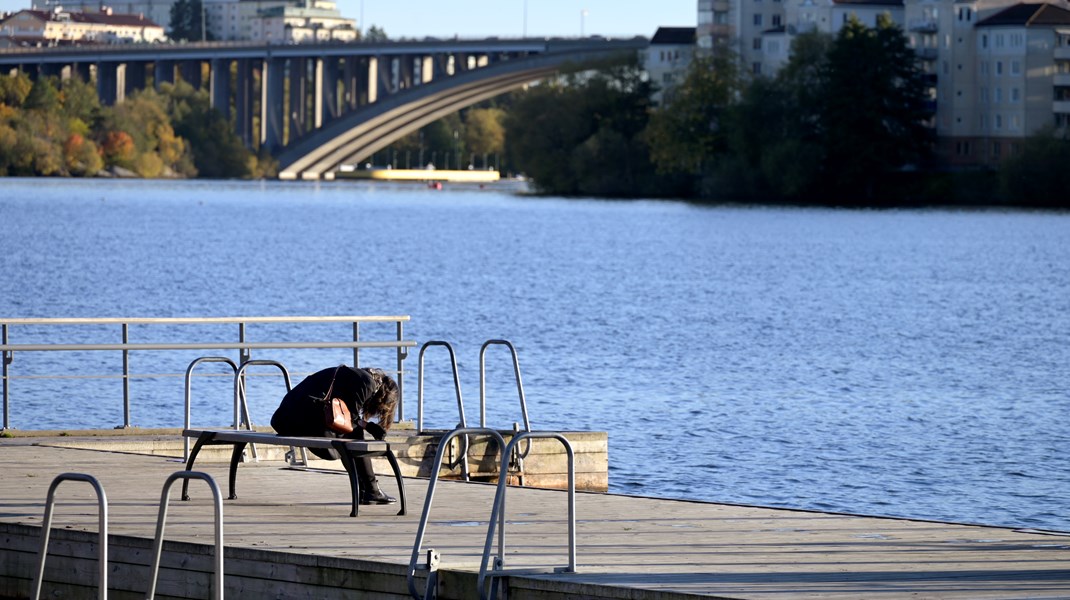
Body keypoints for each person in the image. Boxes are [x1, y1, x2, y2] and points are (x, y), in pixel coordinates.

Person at [270, 365, 399, 504]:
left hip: (283, 420)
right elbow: (351, 423)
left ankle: (366, 489)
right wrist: (369, 427)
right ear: (384, 398)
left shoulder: (353, 376)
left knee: (350, 439)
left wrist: (366, 426)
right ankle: (371, 490)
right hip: (297, 421)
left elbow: (349, 417)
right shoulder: (367, 384)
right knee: (355, 438)